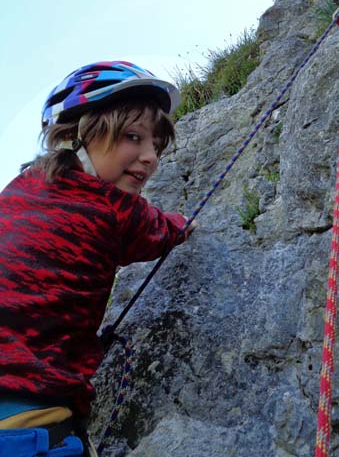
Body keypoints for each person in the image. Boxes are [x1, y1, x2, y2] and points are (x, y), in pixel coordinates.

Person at [0, 60, 196, 456]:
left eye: (155, 145)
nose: (150, 156)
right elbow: (168, 230)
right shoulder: (116, 210)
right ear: (77, 135)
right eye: (132, 136)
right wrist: (182, 224)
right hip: (28, 423)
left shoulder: (18, 190)